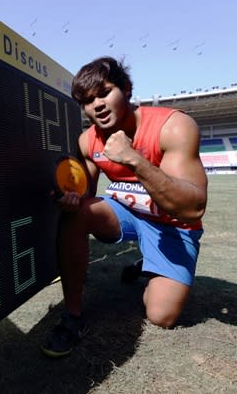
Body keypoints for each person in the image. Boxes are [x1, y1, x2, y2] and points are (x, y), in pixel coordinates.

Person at [41, 56, 208, 358]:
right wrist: (70, 198)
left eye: (104, 93)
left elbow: (192, 209)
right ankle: (73, 317)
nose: (98, 105)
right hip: (128, 215)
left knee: (161, 316)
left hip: (173, 225)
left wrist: (133, 158)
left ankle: (149, 266)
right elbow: (85, 196)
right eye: (88, 101)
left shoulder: (173, 127)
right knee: (76, 216)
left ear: (127, 89)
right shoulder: (87, 141)